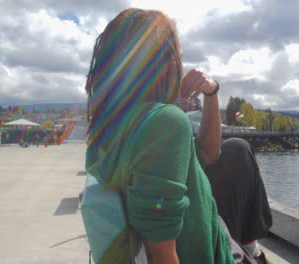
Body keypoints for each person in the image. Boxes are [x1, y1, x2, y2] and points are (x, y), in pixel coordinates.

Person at [85, 8, 272, 264]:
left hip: (208, 226)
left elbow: (209, 153)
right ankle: (251, 252)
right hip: (215, 252)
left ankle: (250, 249)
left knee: (237, 148)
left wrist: (211, 92)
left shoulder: (111, 128)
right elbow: (160, 253)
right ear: (162, 62)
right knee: (240, 153)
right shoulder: (164, 123)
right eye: (178, 53)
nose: (182, 60)